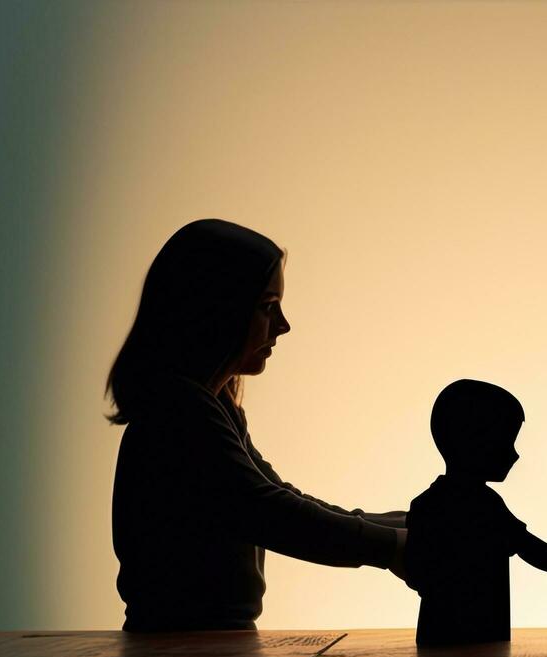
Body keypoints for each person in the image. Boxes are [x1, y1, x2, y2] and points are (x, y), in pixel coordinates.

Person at [106, 218, 408, 631]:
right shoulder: (179, 412)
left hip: (198, 651)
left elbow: (276, 497)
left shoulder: (209, 407)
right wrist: (396, 546)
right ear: (216, 310)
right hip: (180, 656)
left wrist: (405, 526)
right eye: (268, 307)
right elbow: (267, 511)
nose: (283, 325)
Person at [406, 379, 547, 646]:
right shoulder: (487, 509)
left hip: (437, 640)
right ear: (474, 441)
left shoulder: (424, 503)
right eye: (506, 442)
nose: (514, 455)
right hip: (485, 644)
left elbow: (415, 574)